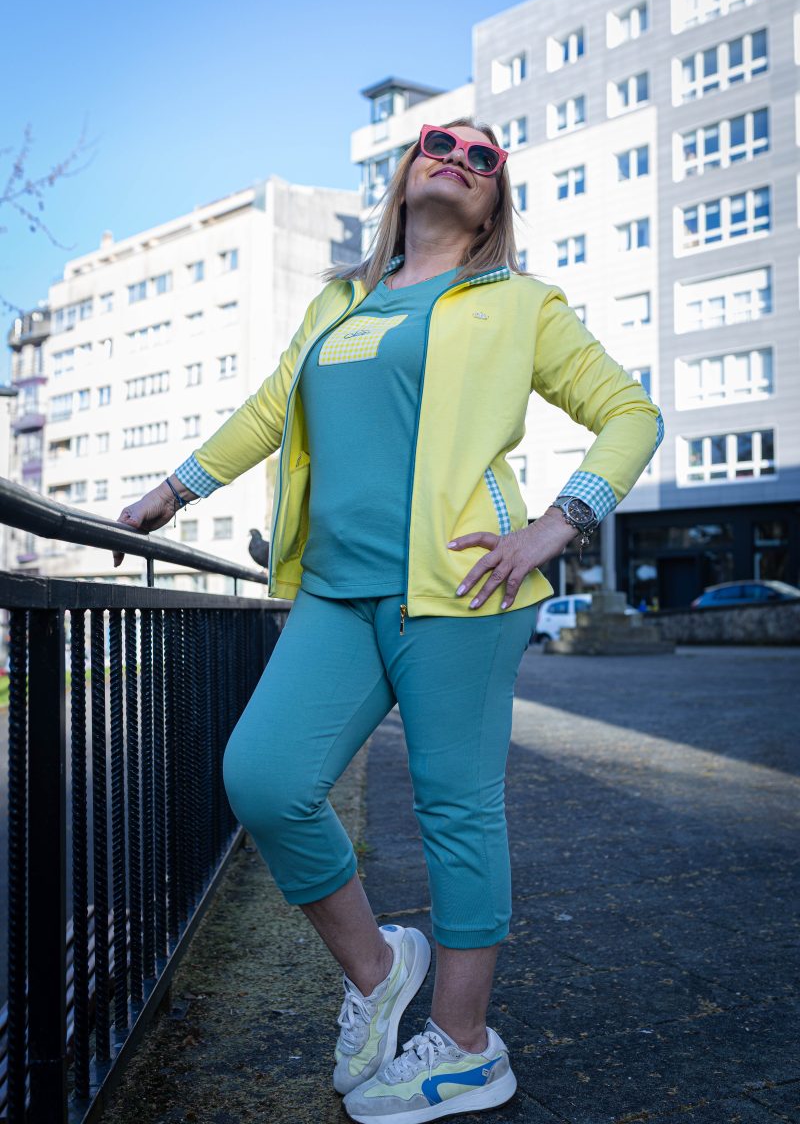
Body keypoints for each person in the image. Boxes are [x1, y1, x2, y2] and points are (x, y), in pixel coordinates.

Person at [113, 117, 664, 1123]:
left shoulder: (520, 304)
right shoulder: (339, 303)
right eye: (439, 144)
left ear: (492, 206)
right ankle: (377, 971)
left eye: (483, 158)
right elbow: (271, 407)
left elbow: (631, 413)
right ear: (407, 173)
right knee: (264, 779)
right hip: (333, 589)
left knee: (456, 809)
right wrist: (172, 492)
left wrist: (559, 522)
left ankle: (465, 1046)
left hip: (459, 591)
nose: (458, 159)